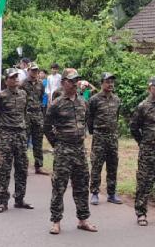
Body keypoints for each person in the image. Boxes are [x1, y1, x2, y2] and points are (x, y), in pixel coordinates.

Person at [44, 68, 97, 235]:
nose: (74, 84)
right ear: (63, 83)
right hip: (63, 149)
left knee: (81, 185)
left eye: (76, 81)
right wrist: (57, 144)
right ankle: (56, 221)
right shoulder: (56, 104)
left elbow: (87, 120)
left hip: (79, 149)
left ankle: (83, 220)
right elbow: (46, 127)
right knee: (59, 186)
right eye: (71, 81)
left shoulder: (83, 102)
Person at [0, 68, 33, 213]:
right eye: (12, 77)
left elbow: (25, 112)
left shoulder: (23, 94)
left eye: (17, 77)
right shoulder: (1, 96)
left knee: (22, 168)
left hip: (20, 135)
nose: (15, 79)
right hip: (7, 134)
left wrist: (24, 128)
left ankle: (20, 199)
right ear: (6, 80)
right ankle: (2, 201)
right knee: (5, 169)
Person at [130, 76, 155, 226]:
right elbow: (133, 127)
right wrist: (143, 142)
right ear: (150, 88)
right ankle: (141, 213)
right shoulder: (143, 106)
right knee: (145, 183)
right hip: (148, 151)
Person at [88, 73, 123, 205]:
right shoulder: (94, 99)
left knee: (113, 165)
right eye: (108, 82)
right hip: (99, 136)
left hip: (113, 137)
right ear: (101, 83)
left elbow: (116, 116)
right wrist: (94, 132)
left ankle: (112, 193)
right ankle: (95, 193)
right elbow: (89, 118)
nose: (110, 84)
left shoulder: (117, 100)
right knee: (97, 164)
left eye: (112, 82)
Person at [20, 62, 48, 175]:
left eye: (36, 70)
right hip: (26, 115)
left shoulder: (41, 84)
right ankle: (23, 166)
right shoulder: (22, 84)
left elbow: (41, 97)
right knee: (24, 142)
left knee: (38, 142)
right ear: (28, 71)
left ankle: (39, 166)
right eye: (32, 70)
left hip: (38, 115)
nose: (35, 72)